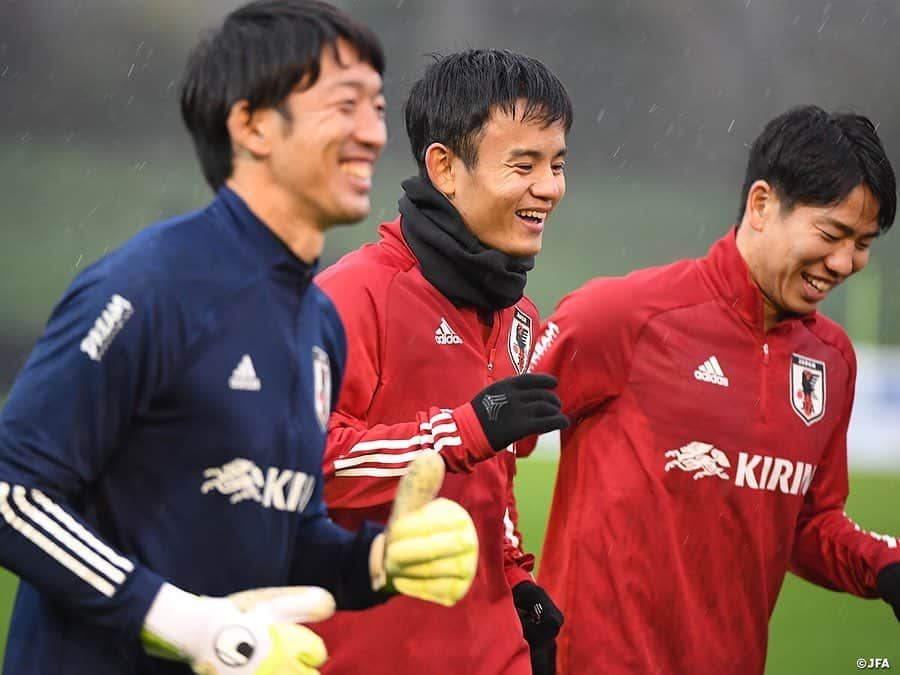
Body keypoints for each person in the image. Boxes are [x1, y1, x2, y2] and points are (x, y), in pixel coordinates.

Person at [0, 3, 478, 674]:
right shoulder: (152, 284)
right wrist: (186, 623)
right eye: (345, 105)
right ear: (252, 123)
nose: (372, 133)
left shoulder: (318, 325)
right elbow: (13, 493)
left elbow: (284, 529)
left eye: (376, 108)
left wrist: (379, 557)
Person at [527, 105, 900, 674]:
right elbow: (490, 437)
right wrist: (505, 585)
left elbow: (806, 523)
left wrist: (884, 565)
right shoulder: (623, 316)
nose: (846, 261)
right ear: (760, 205)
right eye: (831, 234)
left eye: (864, 243)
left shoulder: (832, 361)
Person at [312, 49, 572, 674]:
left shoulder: (518, 317)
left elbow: (494, 486)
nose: (550, 187)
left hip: (490, 656)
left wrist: (515, 583)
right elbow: (306, 464)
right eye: (524, 164)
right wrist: (460, 430)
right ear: (445, 168)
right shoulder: (353, 296)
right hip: (365, 657)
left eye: (558, 164)